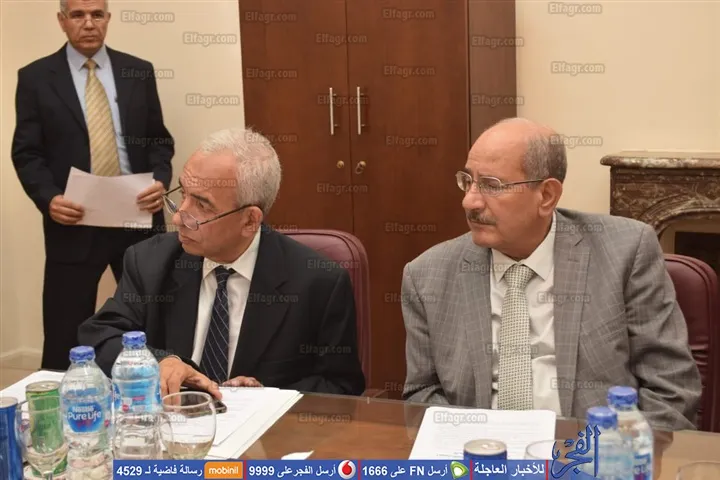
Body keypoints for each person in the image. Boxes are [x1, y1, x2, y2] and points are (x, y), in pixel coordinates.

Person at [400, 117, 702, 431]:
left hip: (596, 450)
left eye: (491, 185)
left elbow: (671, 389)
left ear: (546, 196)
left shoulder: (625, 252)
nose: (470, 201)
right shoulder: (426, 275)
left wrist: (619, 452)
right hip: (479, 451)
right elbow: (422, 394)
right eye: (468, 181)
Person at [78, 127, 366, 399]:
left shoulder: (317, 282)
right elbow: (99, 336)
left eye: (202, 205)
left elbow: (340, 387)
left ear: (250, 220)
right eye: (183, 194)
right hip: (174, 424)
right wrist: (158, 362)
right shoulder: (149, 260)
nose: (178, 218)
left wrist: (268, 396)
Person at [11, 0, 173, 370]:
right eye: (78, 15)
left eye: (97, 15)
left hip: (137, 215)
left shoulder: (138, 71)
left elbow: (159, 141)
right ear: (62, 21)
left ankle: (161, 383)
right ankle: (62, 391)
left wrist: (160, 180)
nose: (88, 23)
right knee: (65, 324)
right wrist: (49, 198)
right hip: (74, 219)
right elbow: (27, 153)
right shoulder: (35, 77)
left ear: (108, 19)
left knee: (153, 317)